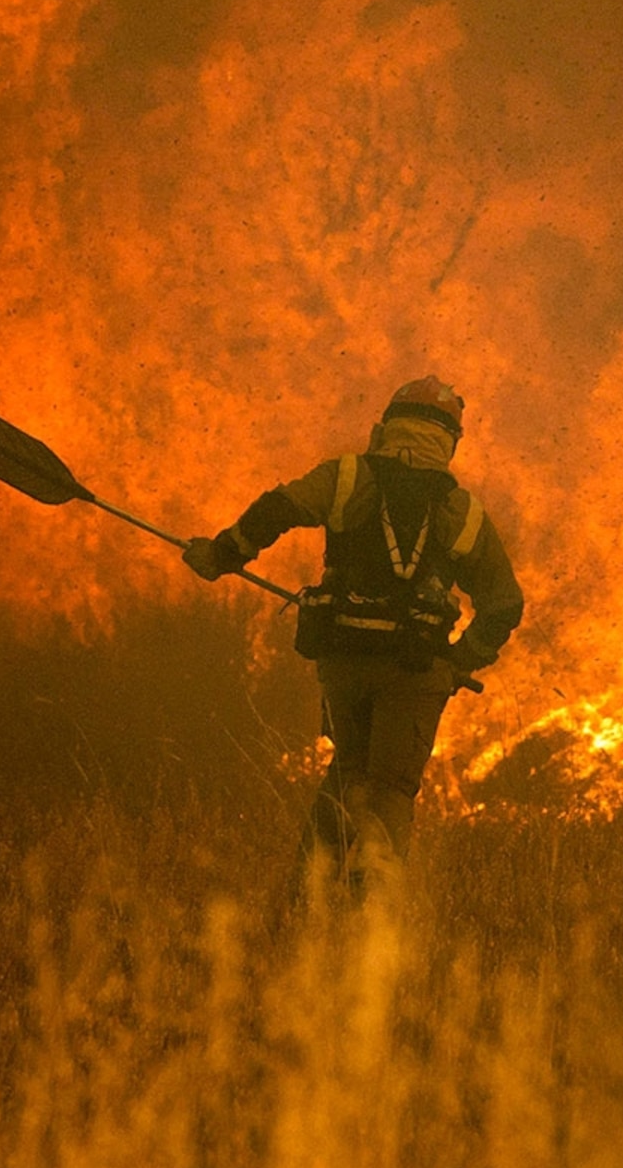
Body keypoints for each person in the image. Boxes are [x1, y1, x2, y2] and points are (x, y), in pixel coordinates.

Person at [185, 377, 524, 886]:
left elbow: (279, 508)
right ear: (450, 440)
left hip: (344, 663)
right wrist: (459, 661)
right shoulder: (462, 512)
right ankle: (373, 928)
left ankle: (308, 899)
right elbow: (503, 604)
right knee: (389, 792)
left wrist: (222, 554)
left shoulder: (347, 477)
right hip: (414, 676)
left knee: (348, 774)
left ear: (387, 426)